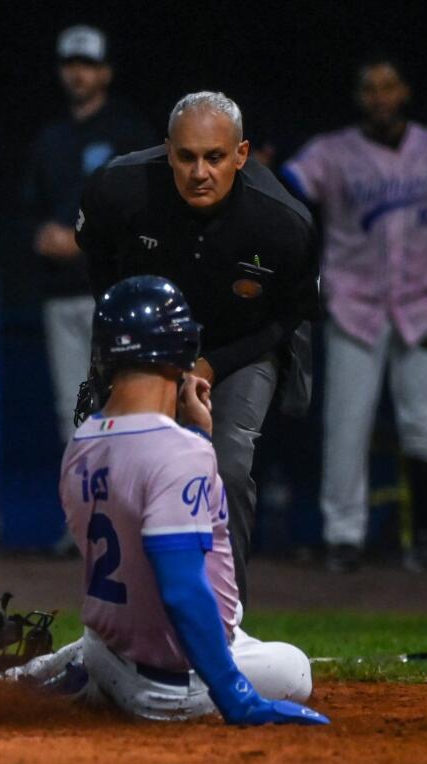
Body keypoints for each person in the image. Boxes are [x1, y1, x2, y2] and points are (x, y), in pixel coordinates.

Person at [0, 276, 327, 726]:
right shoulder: (177, 452)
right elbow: (180, 589)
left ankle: (60, 673)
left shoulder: (82, 443)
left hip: (109, 645)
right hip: (167, 685)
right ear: (182, 354)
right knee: (293, 667)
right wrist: (236, 697)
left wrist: (197, 437)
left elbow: (137, 534)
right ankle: (88, 676)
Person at [74, 91, 319, 604]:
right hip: (149, 346)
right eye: (185, 156)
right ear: (167, 151)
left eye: (214, 157)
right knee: (119, 466)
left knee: (224, 465)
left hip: (243, 346)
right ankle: (128, 616)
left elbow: (287, 317)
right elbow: (98, 262)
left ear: (242, 154)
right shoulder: (118, 189)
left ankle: (226, 623)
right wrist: (126, 349)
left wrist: (211, 362)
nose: (199, 171)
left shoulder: (284, 224)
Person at [282, 58, 427, 574]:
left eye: (388, 86)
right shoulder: (334, 151)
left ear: (405, 91)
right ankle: (343, 537)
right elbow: (288, 186)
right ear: (359, 96)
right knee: (347, 426)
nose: (379, 96)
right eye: (369, 88)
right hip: (355, 307)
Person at [23, 24, 154, 441]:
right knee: (74, 411)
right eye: (71, 64)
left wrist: (81, 242)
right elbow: (32, 208)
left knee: (128, 406)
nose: (78, 73)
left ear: (106, 72)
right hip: (62, 293)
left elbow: (146, 215)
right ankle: (87, 505)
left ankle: (128, 504)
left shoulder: (130, 134)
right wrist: (41, 236)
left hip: (116, 294)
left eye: (89, 64)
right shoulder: (50, 139)